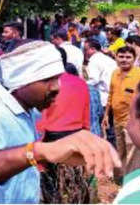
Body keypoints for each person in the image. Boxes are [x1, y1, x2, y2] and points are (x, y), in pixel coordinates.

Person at [0, 41, 120, 203]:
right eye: (47, 79)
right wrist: (38, 151)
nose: (57, 87)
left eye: (58, 78)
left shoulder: (28, 110)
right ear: (21, 80)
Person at [37, 47, 91, 203]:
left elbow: (41, 117)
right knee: (75, 185)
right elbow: (86, 114)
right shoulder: (80, 83)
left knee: (51, 186)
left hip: (51, 138)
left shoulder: (44, 84)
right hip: (77, 136)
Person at [104, 46, 140, 181]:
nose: (124, 60)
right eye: (121, 57)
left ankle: (132, 180)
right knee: (121, 150)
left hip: (134, 121)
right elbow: (111, 95)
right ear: (116, 58)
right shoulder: (114, 73)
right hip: (117, 120)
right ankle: (122, 178)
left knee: (133, 153)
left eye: (128, 57)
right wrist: (106, 115)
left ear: (134, 59)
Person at [84, 38, 117, 109]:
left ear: (93, 49)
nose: (85, 52)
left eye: (86, 50)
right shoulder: (109, 59)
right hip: (112, 97)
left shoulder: (94, 60)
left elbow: (93, 80)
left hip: (102, 99)